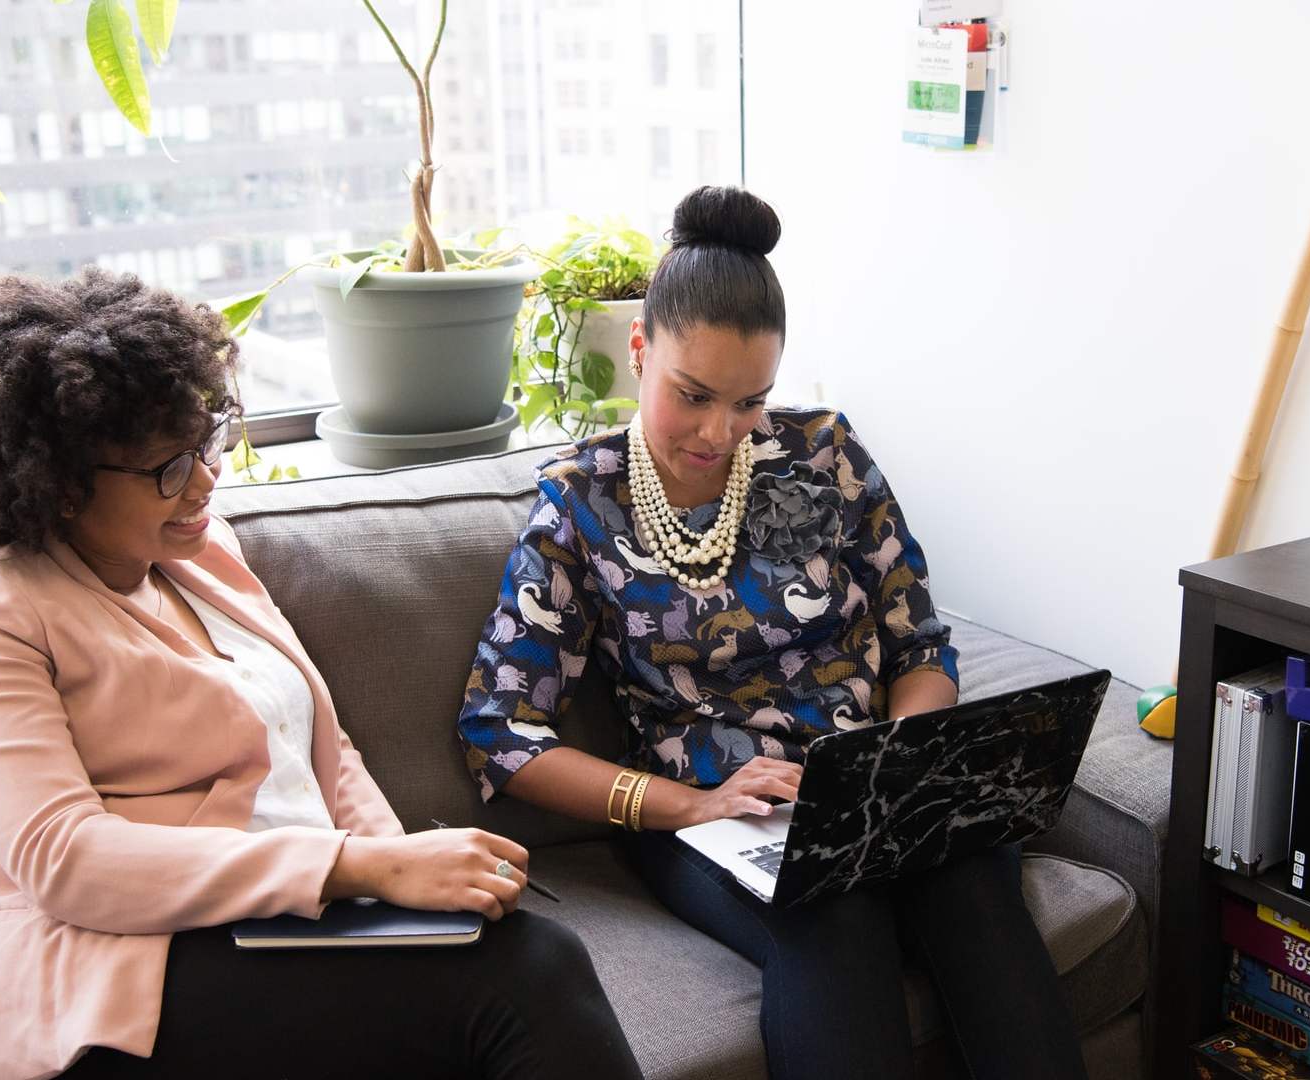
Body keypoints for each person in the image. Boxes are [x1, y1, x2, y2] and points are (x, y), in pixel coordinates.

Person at [0, 268, 642, 1080]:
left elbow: (321, 747)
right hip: (89, 969)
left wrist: (404, 883)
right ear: (62, 482)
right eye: (167, 468)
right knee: (528, 973)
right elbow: (64, 859)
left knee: (500, 956)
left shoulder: (202, 555)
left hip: (261, 926)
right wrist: (361, 869)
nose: (206, 480)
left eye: (206, 443)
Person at [457, 187, 1088, 1080]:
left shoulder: (826, 454)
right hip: (709, 810)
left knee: (972, 884)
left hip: (869, 782)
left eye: (750, 401)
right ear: (639, 350)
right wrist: (693, 805)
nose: (720, 432)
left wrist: (899, 759)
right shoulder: (580, 502)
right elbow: (499, 732)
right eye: (693, 395)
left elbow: (919, 644)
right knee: (830, 912)